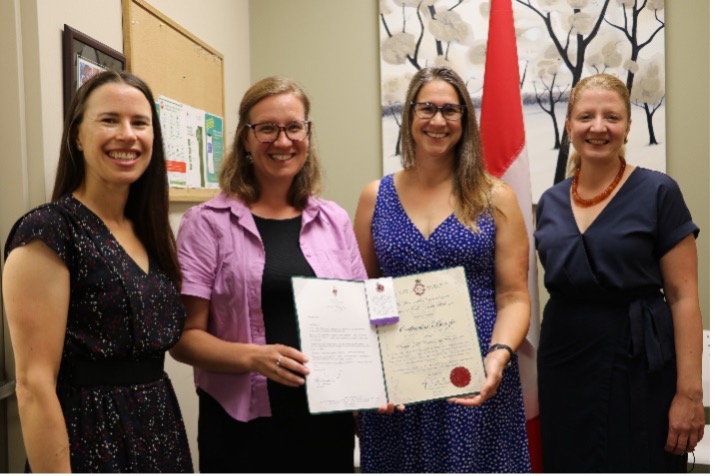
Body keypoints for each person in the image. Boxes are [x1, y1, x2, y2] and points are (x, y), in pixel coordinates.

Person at [170, 76, 367, 473]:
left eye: (294, 127)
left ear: (307, 135)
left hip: (326, 425)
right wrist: (254, 357)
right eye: (267, 129)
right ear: (245, 138)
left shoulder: (334, 220)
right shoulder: (206, 224)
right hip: (242, 429)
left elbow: (360, 316)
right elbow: (184, 340)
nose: (282, 141)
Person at [2, 70, 193, 472]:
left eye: (140, 123)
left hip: (159, 433)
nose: (128, 135)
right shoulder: (49, 231)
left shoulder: (150, 232)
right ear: (77, 136)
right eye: (109, 120)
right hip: (90, 442)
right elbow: (33, 386)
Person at [353, 66, 532, 472]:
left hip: (476, 379)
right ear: (409, 116)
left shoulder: (495, 196)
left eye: (450, 111)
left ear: (465, 121)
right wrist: (364, 375)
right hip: (398, 381)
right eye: (427, 108)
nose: (437, 121)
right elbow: (360, 293)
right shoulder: (373, 196)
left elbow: (514, 297)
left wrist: (499, 357)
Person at [534, 73, 705, 472]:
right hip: (564, 362)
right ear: (568, 126)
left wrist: (689, 394)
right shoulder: (551, 201)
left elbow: (683, 298)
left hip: (640, 363)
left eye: (611, 117)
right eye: (585, 116)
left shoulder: (659, 192)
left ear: (628, 126)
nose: (598, 127)